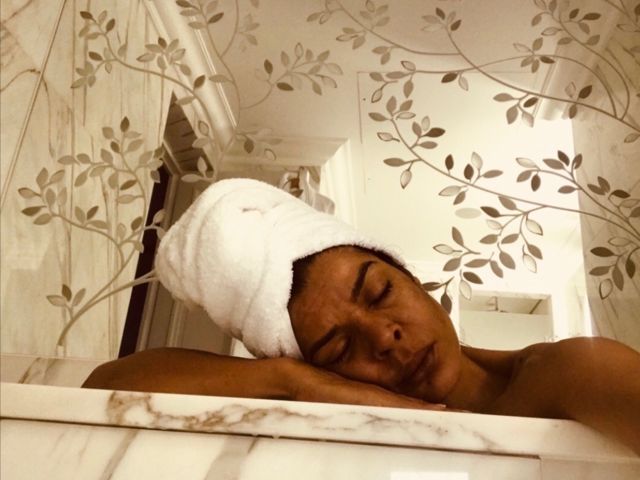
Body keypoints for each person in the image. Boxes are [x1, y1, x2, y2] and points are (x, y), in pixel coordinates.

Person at [83, 178, 640, 455]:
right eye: (339, 348)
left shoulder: (565, 373)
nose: (383, 337)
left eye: (379, 292)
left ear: (411, 277)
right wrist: (290, 380)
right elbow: (107, 386)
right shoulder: (345, 439)